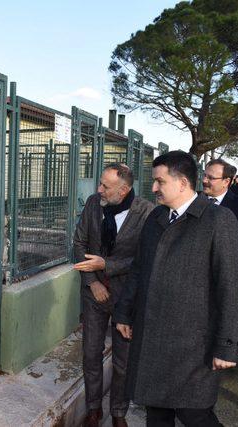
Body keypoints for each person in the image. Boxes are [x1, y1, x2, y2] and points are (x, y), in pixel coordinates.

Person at [114, 151, 238, 427]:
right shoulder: (156, 217)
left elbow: (230, 288)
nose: (153, 188)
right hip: (153, 340)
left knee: (195, 414)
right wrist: (124, 312)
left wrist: (227, 346)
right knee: (157, 413)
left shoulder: (219, 220)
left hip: (194, 346)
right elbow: (139, 268)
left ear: (183, 183)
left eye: (159, 181)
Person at [73, 163, 154, 427]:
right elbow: (79, 243)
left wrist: (106, 265)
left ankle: (118, 412)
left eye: (106, 187)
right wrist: (92, 282)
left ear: (124, 189)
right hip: (94, 294)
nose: (99, 190)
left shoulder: (146, 212)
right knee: (91, 355)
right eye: (100, 184)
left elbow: (144, 258)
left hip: (126, 298)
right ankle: (93, 408)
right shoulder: (94, 204)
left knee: (123, 361)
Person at [202, 159, 238, 375]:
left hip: (225, 282)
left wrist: (224, 271)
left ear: (227, 181)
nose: (205, 180)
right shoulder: (194, 201)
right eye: (205, 175)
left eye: (211, 177)